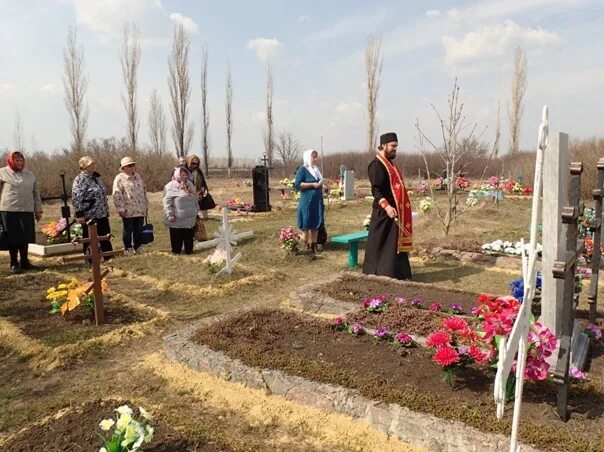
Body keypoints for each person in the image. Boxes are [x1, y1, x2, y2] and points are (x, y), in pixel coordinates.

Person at [363, 133, 413, 280]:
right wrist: (387, 206)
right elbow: (376, 190)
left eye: (396, 146)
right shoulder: (376, 165)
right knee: (380, 244)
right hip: (383, 212)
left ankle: (398, 273)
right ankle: (377, 273)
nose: (395, 149)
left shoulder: (391, 163)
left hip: (396, 211)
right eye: (393, 146)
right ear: (383, 145)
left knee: (394, 244)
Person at [0, 151, 43, 273]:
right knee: (12, 238)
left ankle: (25, 262)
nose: (19, 163)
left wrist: (38, 209)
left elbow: (36, 193)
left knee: (25, 236)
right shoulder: (2, 173)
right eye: (17, 161)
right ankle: (14, 262)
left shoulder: (30, 175)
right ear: (10, 161)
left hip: (26, 210)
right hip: (9, 210)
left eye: (21, 161)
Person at [72, 156, 113, 260]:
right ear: (84, 166)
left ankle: (108, 256)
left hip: (101, 212)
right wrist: (80, 215)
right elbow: (76, 197)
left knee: (104, 234)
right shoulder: (80, 179)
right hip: (89, 214)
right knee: (89, 237)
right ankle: (90, 258)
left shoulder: (97, 177)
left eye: (94, 163)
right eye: (91, 164)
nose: (94, 165)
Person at [112, 156, 148, 256]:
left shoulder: (138, 177)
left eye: (133, 165)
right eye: (129, 166)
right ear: (123, 168)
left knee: (138, 230)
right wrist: (120, 208)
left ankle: (138, 246)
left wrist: (145, 205)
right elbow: (117, 194)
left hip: (139, 209)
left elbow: (144, 191)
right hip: (128, 210)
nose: (131, 167)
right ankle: (128, 247)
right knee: (128, 230)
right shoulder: (119, 178)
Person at [163, 166, 198, 254]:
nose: (184, 177)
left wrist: (196, 209)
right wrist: (170, 214)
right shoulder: (170, 186)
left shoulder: (189, 184)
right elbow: (167, 202)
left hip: (189, 217)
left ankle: (188, 251)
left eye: (185, 175)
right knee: (176, 240)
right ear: (176, 175)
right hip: (177, 218)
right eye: (181, 175)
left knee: (189, 239)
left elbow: (195, 198)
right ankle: (176, 251)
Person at [295, 149, 324, 254]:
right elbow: (298, 184)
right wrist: (312, 185)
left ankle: (314, 244)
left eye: (316, 157)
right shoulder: (303, 170)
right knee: (306, 222)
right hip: (307, 200)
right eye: (313, 157)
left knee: (315, 221)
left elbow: (320, 181)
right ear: (308, 157)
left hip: (316, 201)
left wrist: (321, 185)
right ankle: (305, 243)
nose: (315, 159)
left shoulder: (316, 169)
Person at [186, 155, 210, 219]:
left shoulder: (198, 171)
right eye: (193, 163)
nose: (195, 165)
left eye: (197, 163)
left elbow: (203, 181)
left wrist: (203, 188)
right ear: (189, 162)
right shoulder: (186, 171)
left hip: (199, 192)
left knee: (205, 216)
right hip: (189, 192)